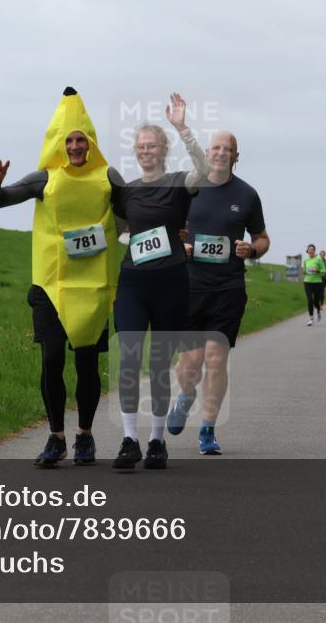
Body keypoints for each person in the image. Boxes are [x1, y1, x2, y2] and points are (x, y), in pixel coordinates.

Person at [0, 87, 121, 468]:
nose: (75, 146)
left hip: (91, 286)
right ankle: (56, 436)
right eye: (69, 140)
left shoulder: (108, 177)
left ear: (90, 143)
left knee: (87, 363)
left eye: (81, 139)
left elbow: (136, 211)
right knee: (52, 359)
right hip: (49, 284)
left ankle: (85, 436)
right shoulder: (45, 178)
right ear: (59, 144)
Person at [112, 93, 210, 470]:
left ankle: (156, 441)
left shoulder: (177, 182)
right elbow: (122, 230)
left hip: (170, 282)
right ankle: (128, 440)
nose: (145, 151)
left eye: (151, 146)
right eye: (140, 147)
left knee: (158, 362)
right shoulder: (127, 191)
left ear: (163, 148)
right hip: (133, 283)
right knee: (129, 360)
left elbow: (205, 170)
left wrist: (183, 128)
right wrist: (133, 243)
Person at [169, 131, 269, 455]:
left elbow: (263, 238)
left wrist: (251, 249)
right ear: (207, 153)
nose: (222, 153)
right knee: (190, 364)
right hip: (189, 286)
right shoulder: (191, 189)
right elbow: (170, 227)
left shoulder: (248, 195)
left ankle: (208, 429)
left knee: (215, 359)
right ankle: (185, 396)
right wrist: (179, 244)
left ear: (235, 156)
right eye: (216, 147)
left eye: (228, 149)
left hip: (228, 288)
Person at [302, 244, 326, 326]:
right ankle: (311, 319)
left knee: (316, 300)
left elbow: (324, 270)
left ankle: (318, 311)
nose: (311, 251)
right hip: (307, 282)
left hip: (317, 282)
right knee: (310, 300)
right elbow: (304, 271)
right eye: (309, 249)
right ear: (307, 251)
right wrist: (304, 272)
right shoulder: (305, 261)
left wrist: (318, 270)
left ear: (314, 251)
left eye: (312, 249)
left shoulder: (318, 259)